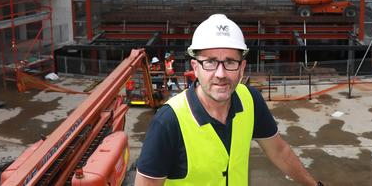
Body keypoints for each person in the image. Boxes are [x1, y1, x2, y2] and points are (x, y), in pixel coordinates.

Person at [135, 14, 321, 186]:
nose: (221, 74)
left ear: (242, 68)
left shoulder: (250, 100)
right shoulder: (169, 121)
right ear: (195, 67)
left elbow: (279, 152)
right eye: (210, 62)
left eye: (230, 62)